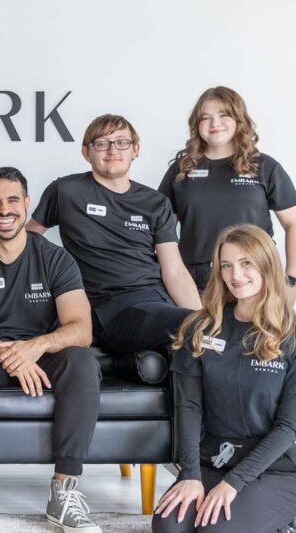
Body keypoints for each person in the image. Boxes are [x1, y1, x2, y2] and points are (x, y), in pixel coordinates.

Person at [0, 167, 103, 533]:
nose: (4, 209)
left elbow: (81, 327)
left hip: (40, 359)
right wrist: (9, 354)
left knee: (82, 359)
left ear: (27, 204)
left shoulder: (55, 258)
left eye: (13, 200)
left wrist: (36, 346)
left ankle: (64, 491)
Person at [151, 225, 296, 533]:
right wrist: (189, 475)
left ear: (267, 265)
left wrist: (233, 484)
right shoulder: (202, 328)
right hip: (212, 461)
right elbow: (188, 406)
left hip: (274, 469)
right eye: (227, 265)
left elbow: (287, 429)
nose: (236, 274)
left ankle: (289, 526)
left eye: (246, 263)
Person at [28, 114, 201, 360]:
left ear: (135, 149)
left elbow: (175, 272)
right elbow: (27, 237)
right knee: (191, 327)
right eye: (101, 143)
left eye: (122, 142)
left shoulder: (155, 202)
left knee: (211, 331)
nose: (112, 150)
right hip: (112, 309)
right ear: (86, 152)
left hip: (159, 302)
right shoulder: (66, 191)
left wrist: (204, 320)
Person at [158, 86, 296, 297]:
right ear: (196, 125)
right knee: (201, 331)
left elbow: (295, 223)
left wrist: (291, 280)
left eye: (224, 115)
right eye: (205, 117)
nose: (214, 123)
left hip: (255, 277)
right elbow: (163, 230)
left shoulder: (264, 166)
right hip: (198, 282)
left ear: (239, 119)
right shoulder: (181, 170)